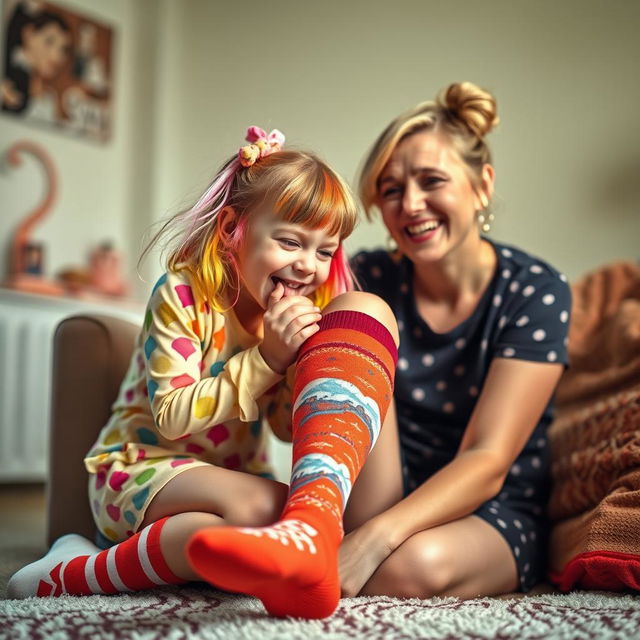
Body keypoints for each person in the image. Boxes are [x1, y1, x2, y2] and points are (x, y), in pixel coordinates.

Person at [8, 126, 399, 621]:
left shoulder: (293, 316)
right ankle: (85, 571)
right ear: (233, 228)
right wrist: (267, 360)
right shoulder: (184, 294)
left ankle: (69, 568)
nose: (307, 266)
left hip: (229, 487)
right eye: (290, 242)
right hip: (142, 472)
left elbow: (283, 427)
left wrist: (298, 365)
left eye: (325, 251)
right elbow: (171, 416)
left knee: (262, 525)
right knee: (276, 509)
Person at [339, 82, 572, 599]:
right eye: (392, 189)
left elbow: (488, 459)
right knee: (357, 309)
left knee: (408, 567)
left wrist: (372, 541)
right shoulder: (368, 276)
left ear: (481, 185)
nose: (411, 205)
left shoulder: (535, 291)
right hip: (379, 496)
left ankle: (364, 544)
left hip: (489, 508)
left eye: (432, 181)